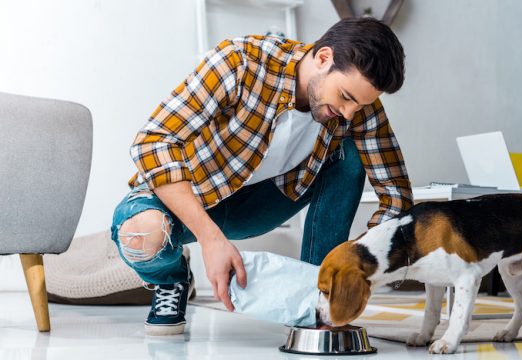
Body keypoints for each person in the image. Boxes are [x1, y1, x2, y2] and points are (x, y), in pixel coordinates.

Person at [109, 17, 413, 336]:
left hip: (260, 204)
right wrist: (211, 240)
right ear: (324, 58)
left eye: (360, 104)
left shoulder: (356, 109)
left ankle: (318, 298)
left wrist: (361, 262)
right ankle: (171, 280)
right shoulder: (239, 62)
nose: (350, 112)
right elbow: (153, 142)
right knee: (139, 235)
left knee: (348, 155)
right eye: (346, 97)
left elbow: (396, 196)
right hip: (192, 198)